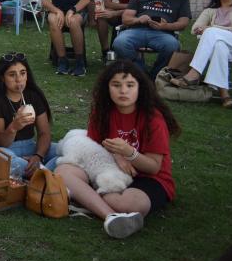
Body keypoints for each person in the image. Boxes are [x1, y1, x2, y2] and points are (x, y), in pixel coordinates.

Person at [56, 60, 179, 239]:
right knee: (63, 172)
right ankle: (110, 216)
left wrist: (130, 153)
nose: (123, 91)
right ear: (107, 88)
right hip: (110, 169)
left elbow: (153, 167)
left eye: (130, 85)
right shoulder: (103, 111)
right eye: (116, 85)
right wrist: (116, 154)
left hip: (148, 178)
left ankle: (93, 201)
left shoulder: (153, 119)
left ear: (140, 88)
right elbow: (95, 141)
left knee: (129, 204)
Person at [0, 52, 58, 180]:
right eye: (12, 74)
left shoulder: (33, 96)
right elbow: (0, 142)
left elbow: (44, 133)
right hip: (2, 148)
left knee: (64, 151)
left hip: (30, 146)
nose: (19, 79)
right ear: (2, 78)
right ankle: (47, 174)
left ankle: (37, 173)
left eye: (22, 73)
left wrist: (38, 156)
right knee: (9, 162)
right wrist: (14, 127)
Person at [169, 0, 232, 108]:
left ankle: (194, 74)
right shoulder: (210, 11)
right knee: (219, 46)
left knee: (212, 33)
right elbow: (194, 29)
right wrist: (208, 30)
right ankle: (225, 96)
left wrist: (212, 28)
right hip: (228, 49)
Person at [112, 0, 190, 78]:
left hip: (163, 33)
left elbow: (184, 23)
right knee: (119, 42)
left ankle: (155, 75)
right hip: (137, 30)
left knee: (172, 45)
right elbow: (126, 18)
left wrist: (165, 26)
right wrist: (138, 20)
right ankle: (141, 72)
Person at [42, 0, 90, 76]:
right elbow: (45, 1)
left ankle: (80, 62)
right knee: (53, 20)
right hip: (58, 11)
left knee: (73, 21)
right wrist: (57, 11)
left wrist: (72, 10)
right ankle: (62, 60)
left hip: (77, 11)